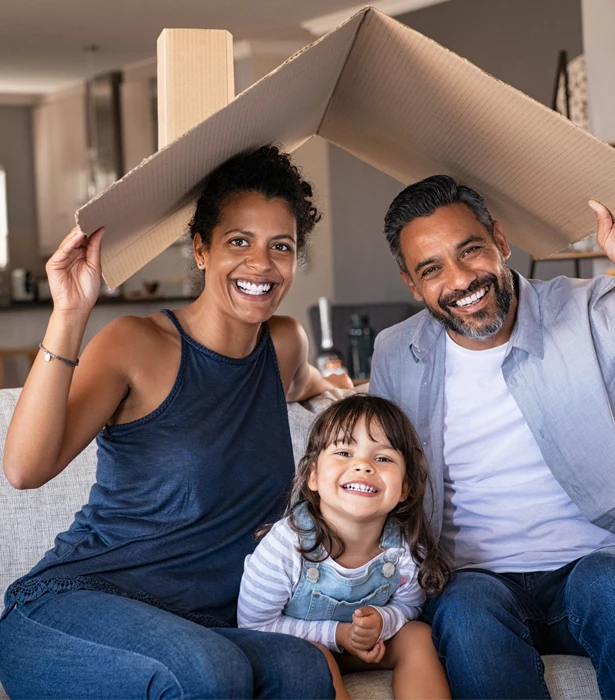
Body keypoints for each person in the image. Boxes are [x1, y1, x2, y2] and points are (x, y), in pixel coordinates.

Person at [0, 146, 351, 699]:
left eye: (279, 247)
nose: (260, 264)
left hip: (202, 625)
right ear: (201, 250)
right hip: (77, 607)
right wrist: (69, 312)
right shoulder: (136, 345)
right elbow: (24, 468)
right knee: (210, 672)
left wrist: (343, 392)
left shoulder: (283, 344)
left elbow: (310, 383)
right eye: (239, 241)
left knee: (304, 670)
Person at [369, 174, 615, 699]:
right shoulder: (395, 352)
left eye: (470, 250)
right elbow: (382, 478)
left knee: (611, 585)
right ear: (413, 284)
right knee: (464, 607)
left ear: (500, 241)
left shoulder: (594, 310)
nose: (460, 280)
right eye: (431, 270)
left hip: (602, 567)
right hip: (477, 583)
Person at [237, 394, 452, 699]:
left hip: (365, 647)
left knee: (419, 636)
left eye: (383, 458)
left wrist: (382, 621)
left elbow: (409, 606)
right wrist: (338, 636)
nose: (363, 466)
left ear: (404, 487)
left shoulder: (402, 548)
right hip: (299, 650)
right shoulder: (286, 545)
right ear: (312, 475)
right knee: (316, 656)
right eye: (344, 452)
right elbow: (253, 626)